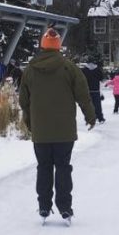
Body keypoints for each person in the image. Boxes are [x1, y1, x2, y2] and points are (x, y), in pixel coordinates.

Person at [19, 28, 96, 223]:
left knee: (43, 167)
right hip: (64, 131)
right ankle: (65, 207)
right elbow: (83, 95)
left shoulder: (30, 70)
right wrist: (90, 116)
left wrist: (30, 122)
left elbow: (24, 101)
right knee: (63, 167)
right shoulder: (69, 68)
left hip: (41, 131)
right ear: (58, 46)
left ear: (42, 45)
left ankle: (44, 206)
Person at [80, 60, 106, 124]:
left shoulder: (84, 70)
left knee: (89, 105)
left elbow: (81, 79)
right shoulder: (97, 70)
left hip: (87, 90)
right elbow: (102, 79)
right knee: (97, 105)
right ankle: (100, 118)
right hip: (96, 90)